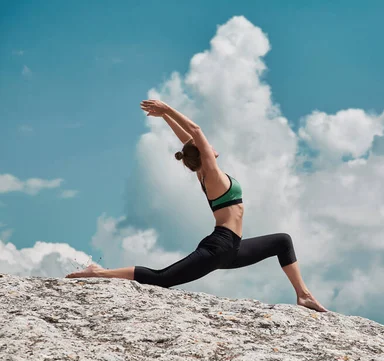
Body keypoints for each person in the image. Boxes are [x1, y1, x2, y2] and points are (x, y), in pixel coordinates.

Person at [66, 100, 327, 312]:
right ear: (204, 153)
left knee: (282, 241)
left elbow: (190, 141)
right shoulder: (210, 173)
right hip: (219, 246)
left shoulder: (203, 169)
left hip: (233, 248)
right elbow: (196, 132)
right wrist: (167, 109)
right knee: (161, 278)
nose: (211, 145)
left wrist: (165, 119)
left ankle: (303, 295)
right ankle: (99, 273)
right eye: (207, 146)